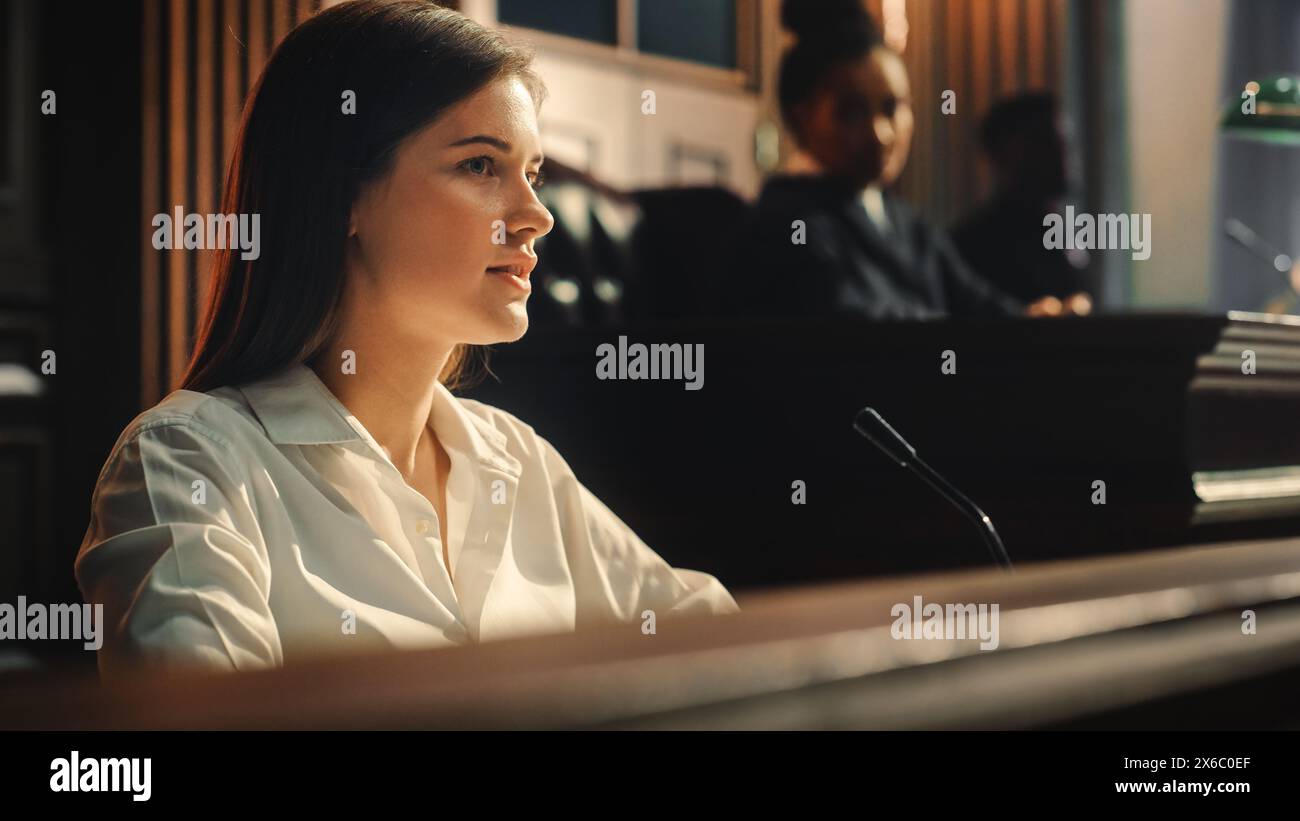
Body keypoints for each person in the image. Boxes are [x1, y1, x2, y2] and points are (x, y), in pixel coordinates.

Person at [75, 0, 738, 681]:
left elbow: (719, 646)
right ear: (344, 199)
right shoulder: (186, 465)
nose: (536, 215)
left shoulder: (519, 462)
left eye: (532, 173)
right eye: (481, 166)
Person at [737, 0, 1088, 320]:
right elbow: (855, 324)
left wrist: (1037, 318)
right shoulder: (786, 224)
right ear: (802, 115)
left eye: (892, 108)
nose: (881, 134)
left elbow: (978, 304)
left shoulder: (907, 224)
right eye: (852, 112)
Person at [951, 93, 1093, 307]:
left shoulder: (1069, 233)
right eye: (1047, 144)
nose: (1065, 155)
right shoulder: (972, 248)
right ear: (1002, 157)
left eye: (1067, 142)